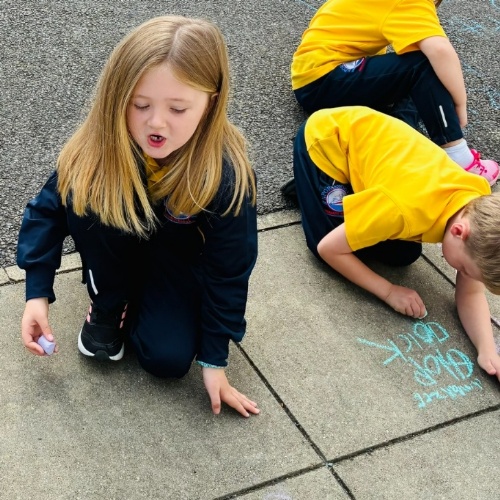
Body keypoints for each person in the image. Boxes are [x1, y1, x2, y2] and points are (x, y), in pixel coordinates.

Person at [17, 16, 260, 418]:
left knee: (166, 361)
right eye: (140, 104)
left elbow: (230, 269)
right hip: (116, 244)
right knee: (82, 191)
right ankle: (110, 301)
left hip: (176, 264)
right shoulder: (99, 147)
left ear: (211, 103)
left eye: (178, 108)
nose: (156, 122)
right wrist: (36, 294)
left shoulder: (226, 174)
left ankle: (144, 301)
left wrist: (214, 358)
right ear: (117, 97)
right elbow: (46, 212)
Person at [293, 106, 500, 381]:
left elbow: (470, 294)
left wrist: (487, 350)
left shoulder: (476, 205)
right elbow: (328, 249)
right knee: (325, 243)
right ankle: (308, 184)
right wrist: (388, 291)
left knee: (403, 254)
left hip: (378, 147)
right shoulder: (403, 210)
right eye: (464, 268)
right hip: (326, 140)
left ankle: (343, 196)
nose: (463, 275)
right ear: (459, 231)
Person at [290, 0, 499, 185]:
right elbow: (440, 51)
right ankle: (459, 157)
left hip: (315, 75)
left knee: (416, 74)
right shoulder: (407, 2)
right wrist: (460, 105)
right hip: (324, 81)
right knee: (424, 65)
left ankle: (399, 144)